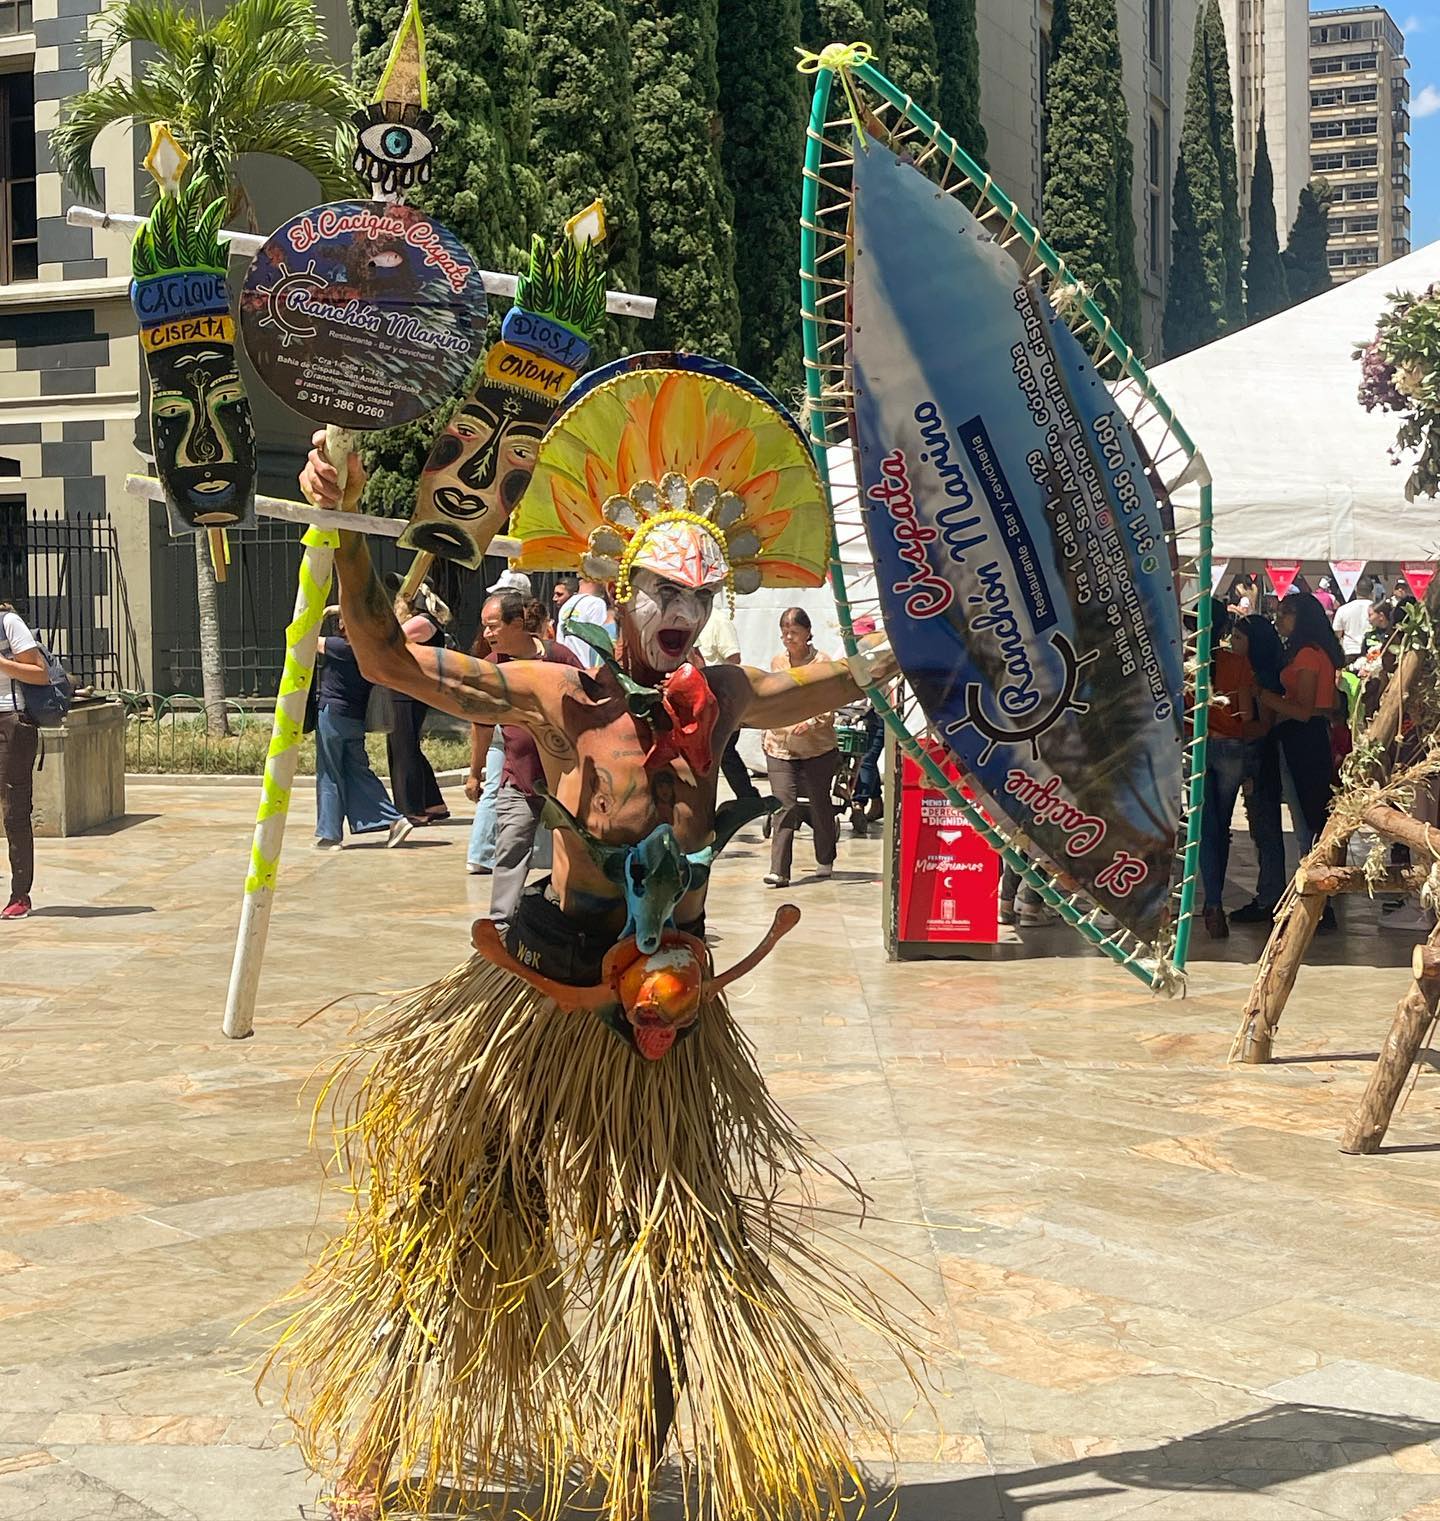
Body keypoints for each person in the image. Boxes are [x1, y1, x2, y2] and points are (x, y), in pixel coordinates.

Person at [277, 357, 915, 1521]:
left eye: (701, 598)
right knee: (463, 1220)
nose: (682, 616)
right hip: (540, 994)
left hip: (663, 1015)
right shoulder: (556, 697)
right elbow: (387, 662)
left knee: (675, 1251)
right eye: (664, 593)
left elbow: (829, 674)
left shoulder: (717, 697)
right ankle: (388, 1440)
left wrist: (933, 624)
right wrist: (344, 529)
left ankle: (631, 1463)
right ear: (619, 588)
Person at [473, 589, 582, 933]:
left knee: (576, 853)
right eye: (485, 627)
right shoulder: (492, 668)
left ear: (518, 622)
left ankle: (573, 920)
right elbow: (481, 724)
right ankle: (502, 926)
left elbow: (589, 703)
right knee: (510, 849)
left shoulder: (559, 658)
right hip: (518, 780)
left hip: (565, 782)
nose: (488, 634)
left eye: (493, 626)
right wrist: (474, 772)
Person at [1261, 593, 1345, 928]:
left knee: (1308, 822)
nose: (1280, 619)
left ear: (1303, 617)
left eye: (1287, 613)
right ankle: (1316, 899)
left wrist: (1265, 697)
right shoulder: (1309, 652)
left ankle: (1317, 901)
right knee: (1307, 820)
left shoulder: (1309, 654)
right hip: (1303, 736)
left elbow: (1304, 709)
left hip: (1305, 739)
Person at [313, 612, 413, 850]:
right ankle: (395, 820)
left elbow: (304, 638)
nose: (339, 623)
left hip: (332, 714)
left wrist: (324, 612)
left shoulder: (341, 647)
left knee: (329, 772)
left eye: (344, 620)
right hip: (354, 719)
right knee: (358, 771)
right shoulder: (372, 651)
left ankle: (330, 835)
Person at [762, 606, 841, 887]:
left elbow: (830, 703)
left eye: (794, 632)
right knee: (784, 805)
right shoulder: (777, 662)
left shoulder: (823, 662)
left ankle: (825, 857)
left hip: (816, 748)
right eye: (784, 632)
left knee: (820, 804)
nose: (788, 638)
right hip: (779, 746)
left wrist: (811, 722)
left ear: (808, 633)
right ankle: (779, 871)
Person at [1200, 600, 1261, 939]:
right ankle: (1214, 899)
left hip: (1197, 750)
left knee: (1205, 827)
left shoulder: (1185, 665)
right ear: (1224, 628)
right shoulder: (1238, 663)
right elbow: (1248, 716)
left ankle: (1211, 901)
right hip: (1232, 747)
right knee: (1220, 826)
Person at [1229, 614, 1287, 926]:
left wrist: (1229, 727)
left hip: (1260, 757)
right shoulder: (1259, 671)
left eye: (1238, 638)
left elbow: (1263, 724)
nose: (1232, 643)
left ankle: (1270, 896)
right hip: (1258, 755)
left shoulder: (1261, 676)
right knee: (1261, 829)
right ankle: (1269, 893)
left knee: (1265, 829)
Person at [384, 578, 451, 825]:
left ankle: (411, 809)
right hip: (406, 690)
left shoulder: (422, 622)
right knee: (406, 746)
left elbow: (389, 641)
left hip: (408, 691)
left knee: (403, 749)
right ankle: (433, 803)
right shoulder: (422, 621)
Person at [0, 601, 47, 919]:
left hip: (10, 721)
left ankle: (20, 895)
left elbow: (40, 674)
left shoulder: (8, 622)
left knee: (14, 810)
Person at [693, 604, 760, 803]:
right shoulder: (690, 620)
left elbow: (734, 658)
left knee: (724, 752)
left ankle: (747, 797)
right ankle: (746, 796)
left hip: (720, 700)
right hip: (697, 699)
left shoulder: (718, 621)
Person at [555, 574, 612, 665]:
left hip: (569, 667)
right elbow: (599, 640)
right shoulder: (596, 603)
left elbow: (560, 642)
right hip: (588, 667)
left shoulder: (567, 605)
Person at [1331, 575, 1376, 660]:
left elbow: (1337, 634)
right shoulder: (1375, 610)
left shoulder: (1343, 609)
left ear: (1355, 589)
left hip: (1349, 651)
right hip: (1371, 651)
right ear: (1372, 591)